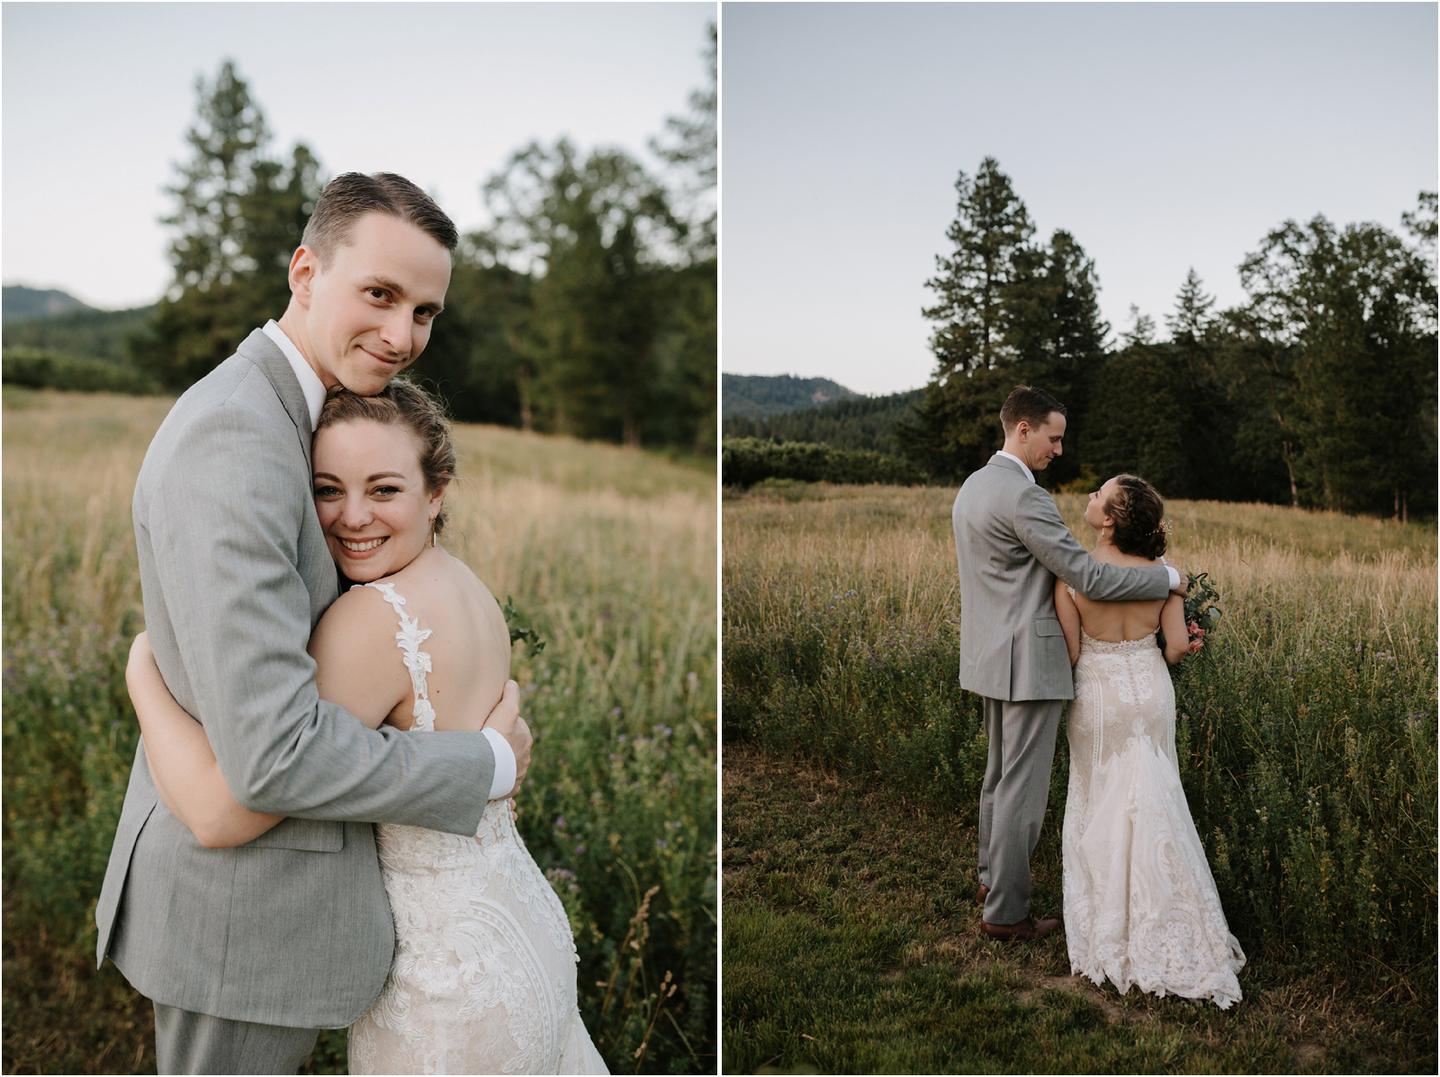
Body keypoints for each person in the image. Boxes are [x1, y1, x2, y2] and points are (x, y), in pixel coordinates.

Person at [94, 173, 534, 1074]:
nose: (403, 335)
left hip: (289, 910)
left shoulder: (308, 419)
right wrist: (483, 763)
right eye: (380, 294)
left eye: (425, 311)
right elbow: (270, 755)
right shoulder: (237, 435)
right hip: (237, 922)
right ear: (305, 272)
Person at [128, 380, 609, 1071]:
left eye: (384, 490)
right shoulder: (466, 587)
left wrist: (141, 671)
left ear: (435, 491)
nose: (352, 516)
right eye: (328, 489)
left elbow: (223, 811)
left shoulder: (372, 620)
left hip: (447, 973)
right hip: (519, 926)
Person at [951, 385, 1186, 941]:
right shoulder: (1024, 497)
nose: (1059, 450)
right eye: (1053, 438)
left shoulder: (973, 487)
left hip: (988, 654)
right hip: (1028, 660)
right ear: (1024, 429)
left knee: (997, 778)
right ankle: (1007, 913)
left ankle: (991, 879)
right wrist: (1168, 578)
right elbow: (1091, 577)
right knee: (1022, 793)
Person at [1053, 474, 1245, 1007]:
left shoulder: (1070, 576)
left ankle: (1110, 924)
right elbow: (1178, 647)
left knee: (1099, 801)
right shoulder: (1164, 579)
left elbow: (1070, 655)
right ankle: (1173, 919)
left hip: (1098, 693)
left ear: (1111, 519)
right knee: (1156, 797)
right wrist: (1159, 653)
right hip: (1151, 688)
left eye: (1099, 494)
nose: (1090, 496)